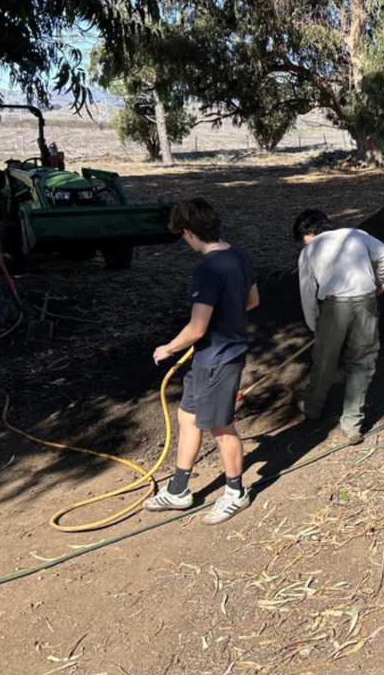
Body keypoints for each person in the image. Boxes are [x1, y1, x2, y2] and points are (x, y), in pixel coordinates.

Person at [147, 198, 259, 524]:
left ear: (189, 232)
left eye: (182, 234)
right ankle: (179, 489)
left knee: (221, 428)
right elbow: (252, 301)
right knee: (187, 417)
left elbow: (196, 329)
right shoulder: (238, 254)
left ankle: (236, 492)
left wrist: (168, 348)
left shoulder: (207, 270)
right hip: (213, 356)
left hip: (216, 360)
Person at [293, 209, 384, 444]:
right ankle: (352, 425)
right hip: (366, 302)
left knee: (325, 358)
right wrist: (380, 281)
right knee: (362, 361)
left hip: (334, 306)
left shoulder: (310, 250)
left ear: (309, 232)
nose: (303, 244)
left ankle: (313, 407)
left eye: (302, 240)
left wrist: (314, 326)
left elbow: (307, 294)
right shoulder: (357, 234)